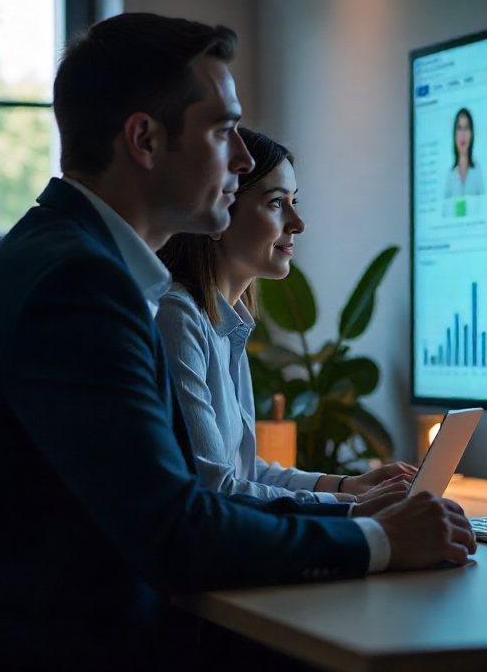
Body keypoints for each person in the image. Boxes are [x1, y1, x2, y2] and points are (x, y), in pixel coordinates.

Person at [0, 12, 472, 672]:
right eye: (225, 130)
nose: (246, 157)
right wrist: (377, 539)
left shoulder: (71, 258)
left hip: (78, 663)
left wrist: (362, 521)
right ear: (145, 140)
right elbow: (176, 527)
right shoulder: (79, 286)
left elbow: (179, 503)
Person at [157, 126, 414, 505]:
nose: (298, 223)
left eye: (294, 201)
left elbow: (247, 472)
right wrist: (352, 509)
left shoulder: (228, 327)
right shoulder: (178, 316)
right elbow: (217, 490)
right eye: (277, 202)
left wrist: (347, 486)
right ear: (217, 212)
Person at [443, 107, 485, 198]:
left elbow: (483, 203)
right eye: (459, 129)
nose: (463, 134)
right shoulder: (450, 176)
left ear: (471, 134)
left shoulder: (477, 171)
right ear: (455, 135)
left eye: (466, 128)